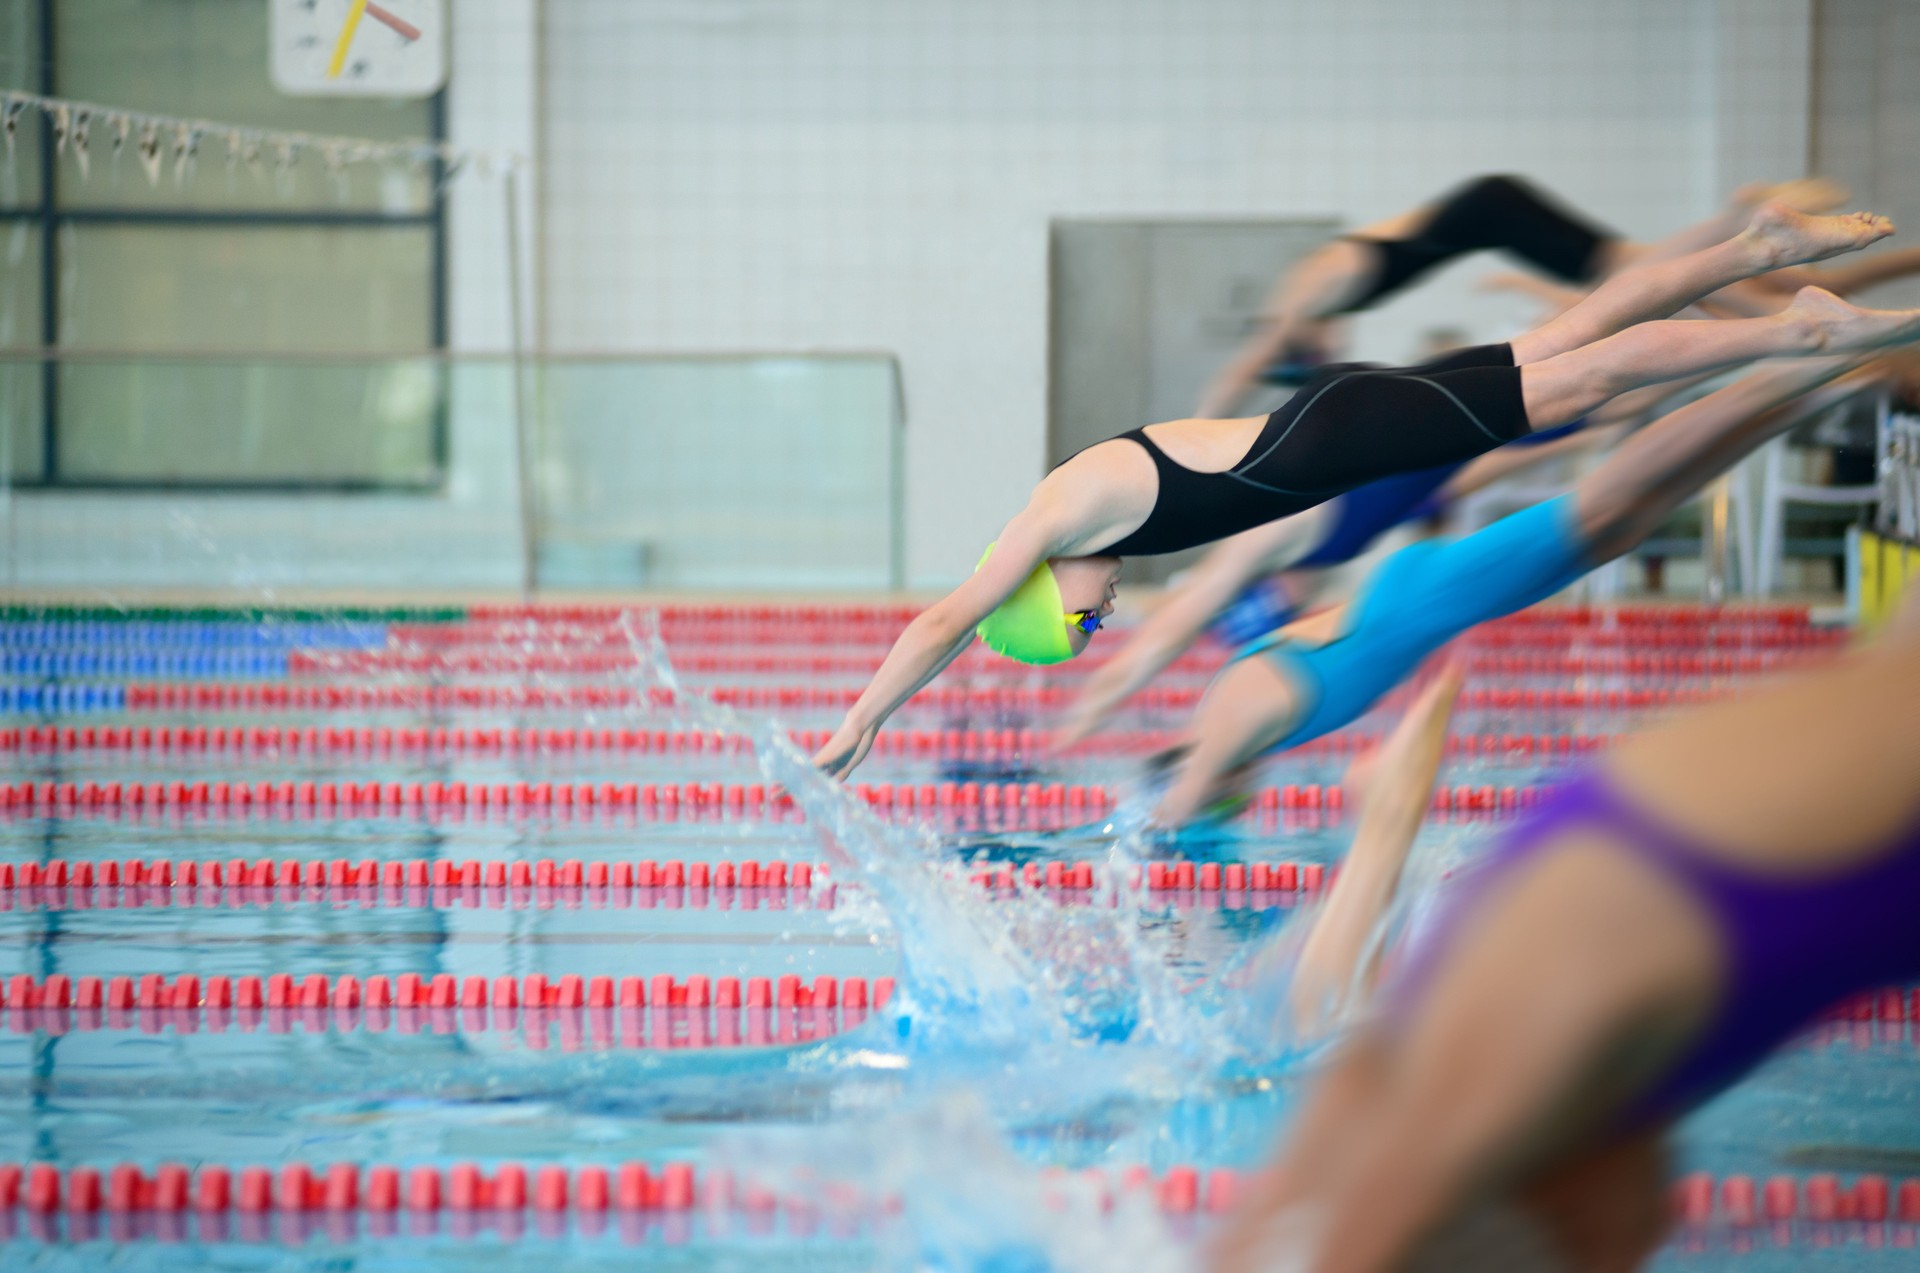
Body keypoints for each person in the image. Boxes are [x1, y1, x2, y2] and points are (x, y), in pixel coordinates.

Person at [814, 205, 1901, 780]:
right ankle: (1757, 250)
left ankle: (1798, 327)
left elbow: (951, 614)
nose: (1104, 611)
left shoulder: (1055, 514)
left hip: (1344, 428)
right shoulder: (1091, 511)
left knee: (1588, 373)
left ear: (1047, 589)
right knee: (1570, 340)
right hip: (1342, 421)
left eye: (1083, 615)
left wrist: (865, 717)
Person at [1204, 585, 1920, 1273]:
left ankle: (1385, 826)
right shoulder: (1497, 1068)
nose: (1641, 1248)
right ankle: (1383, 828)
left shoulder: (1491, 1087)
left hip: (1651, 876)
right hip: (1640, 863)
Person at [1150, 346, 1911, 827]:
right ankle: (1801, 395)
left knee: (1610, 499)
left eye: (1225, 799)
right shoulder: (1238, 722)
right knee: (1627, 520)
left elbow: (1183, 800)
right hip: (1419, 598)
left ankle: (1789, 371)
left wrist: (1154, 836)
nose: (1237, 804)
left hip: (1419, 598)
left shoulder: (1222, 722)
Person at [1191, 175, 1846, 416]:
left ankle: (1746, 228)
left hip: (1492, 215)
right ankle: (1755, 247)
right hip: (1489, 211)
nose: (1330, 349)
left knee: (1633, 274)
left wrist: (1194, 434)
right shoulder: (1318, 286)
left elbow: (1240, 369)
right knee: (1635, 275)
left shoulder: (1304, 297)